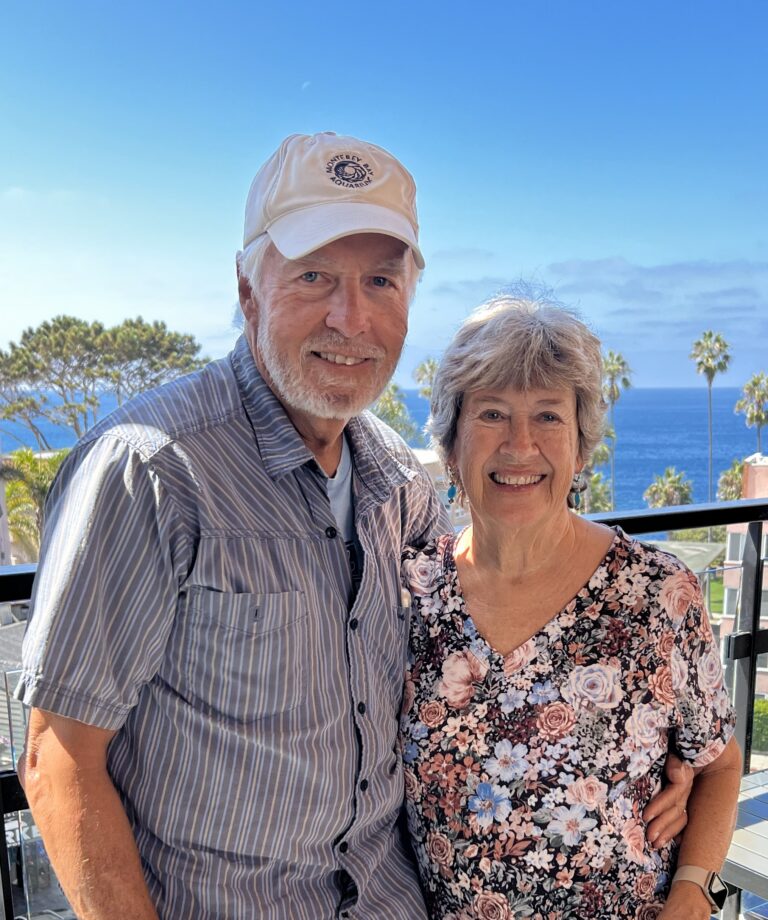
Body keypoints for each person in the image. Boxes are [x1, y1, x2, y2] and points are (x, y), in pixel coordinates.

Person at [15, 134, 693, 920]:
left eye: (380, 280)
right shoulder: (153, 473)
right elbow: (57, 760)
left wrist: (660, 759)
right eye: (314, 277)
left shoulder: (397, 485)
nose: (352, 318)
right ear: (247, 289)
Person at [399, 293, 741, 920]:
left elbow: (718, 764)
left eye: (549, 417)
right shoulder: (410, 594)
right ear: (451, 444)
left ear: (582, 449)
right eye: (493, 414)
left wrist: (693, 893)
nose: (520, 445)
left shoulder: (659, 594)